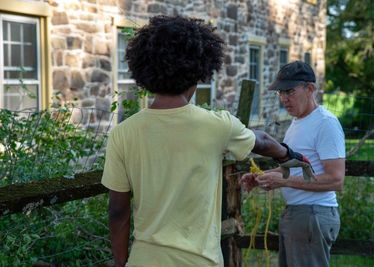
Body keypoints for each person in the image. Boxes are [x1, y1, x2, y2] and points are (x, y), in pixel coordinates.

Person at [101, 16, 311, 267]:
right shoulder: (217, 125)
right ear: (197, 71)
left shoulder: (122, 133)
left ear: (144, 71)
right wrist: (287, 155)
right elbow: (263, 141)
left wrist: (121, 263)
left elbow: (117, 211)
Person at [241, 61, 345, 267]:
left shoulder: (325, 123)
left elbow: (335, 180)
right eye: (280, 92)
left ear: (310, 89)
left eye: (289, 91)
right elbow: (292, 168)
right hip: (300, 215)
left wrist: (284, 182)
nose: (284, 99)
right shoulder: (297, 123)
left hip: (313, 215)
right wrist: (263, 176)